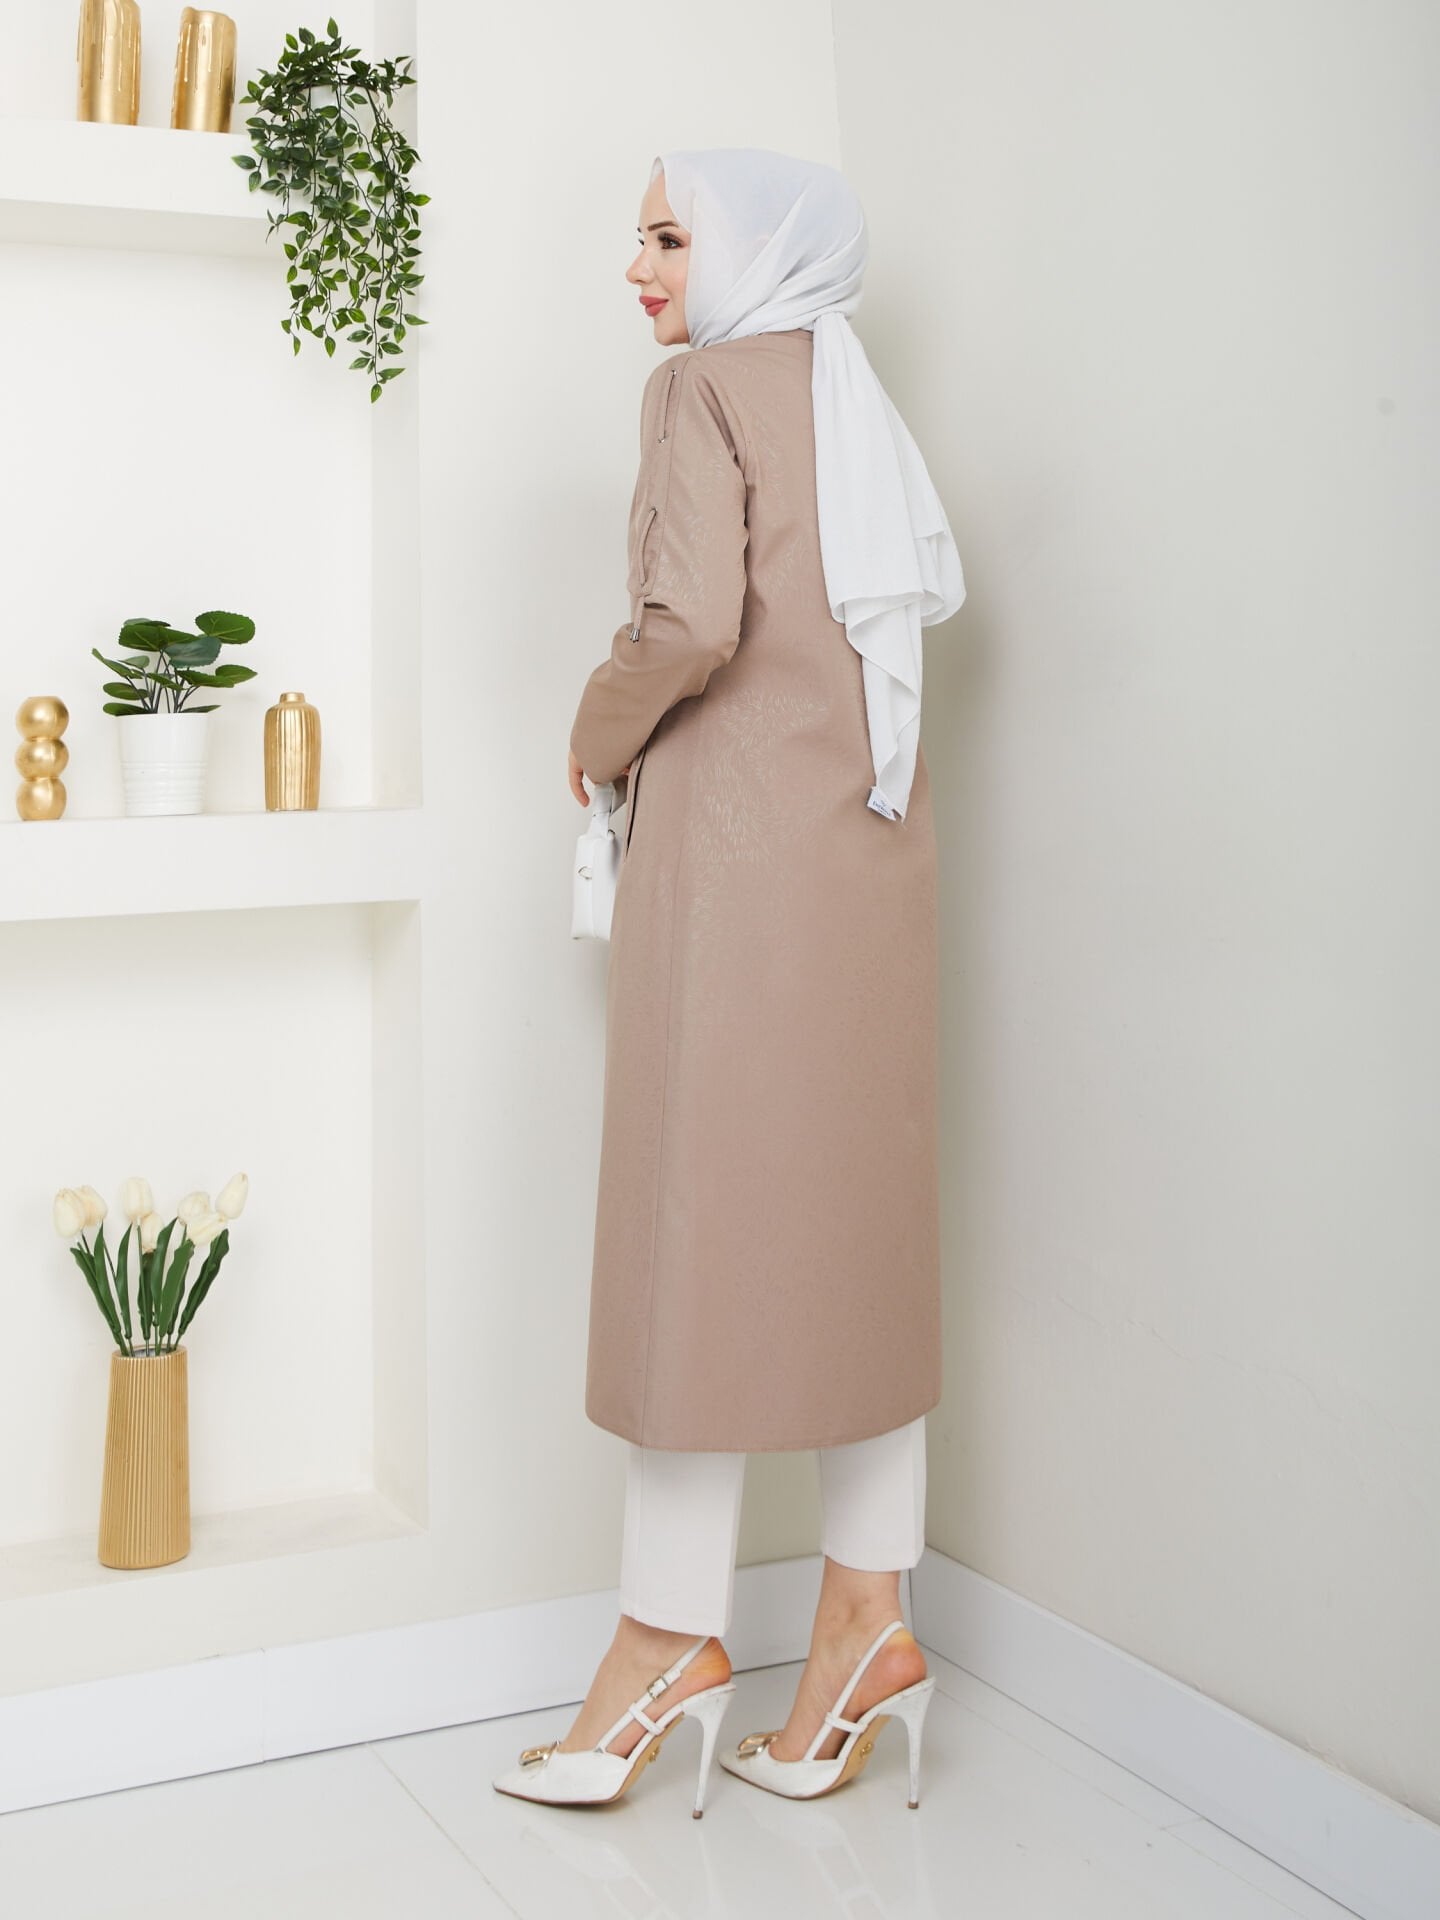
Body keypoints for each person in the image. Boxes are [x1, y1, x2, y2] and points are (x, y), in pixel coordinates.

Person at [493, 147, 965, 1817]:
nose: (640, 266)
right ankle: (864, 1627)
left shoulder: (702, 389)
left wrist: (591, 728)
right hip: (872, 863)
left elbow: (688, 625)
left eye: (670, 235)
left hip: (740, 873)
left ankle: (665, 1642)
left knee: (691, 1241)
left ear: (750, 250)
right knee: (858, 1236)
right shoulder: (850, 393)